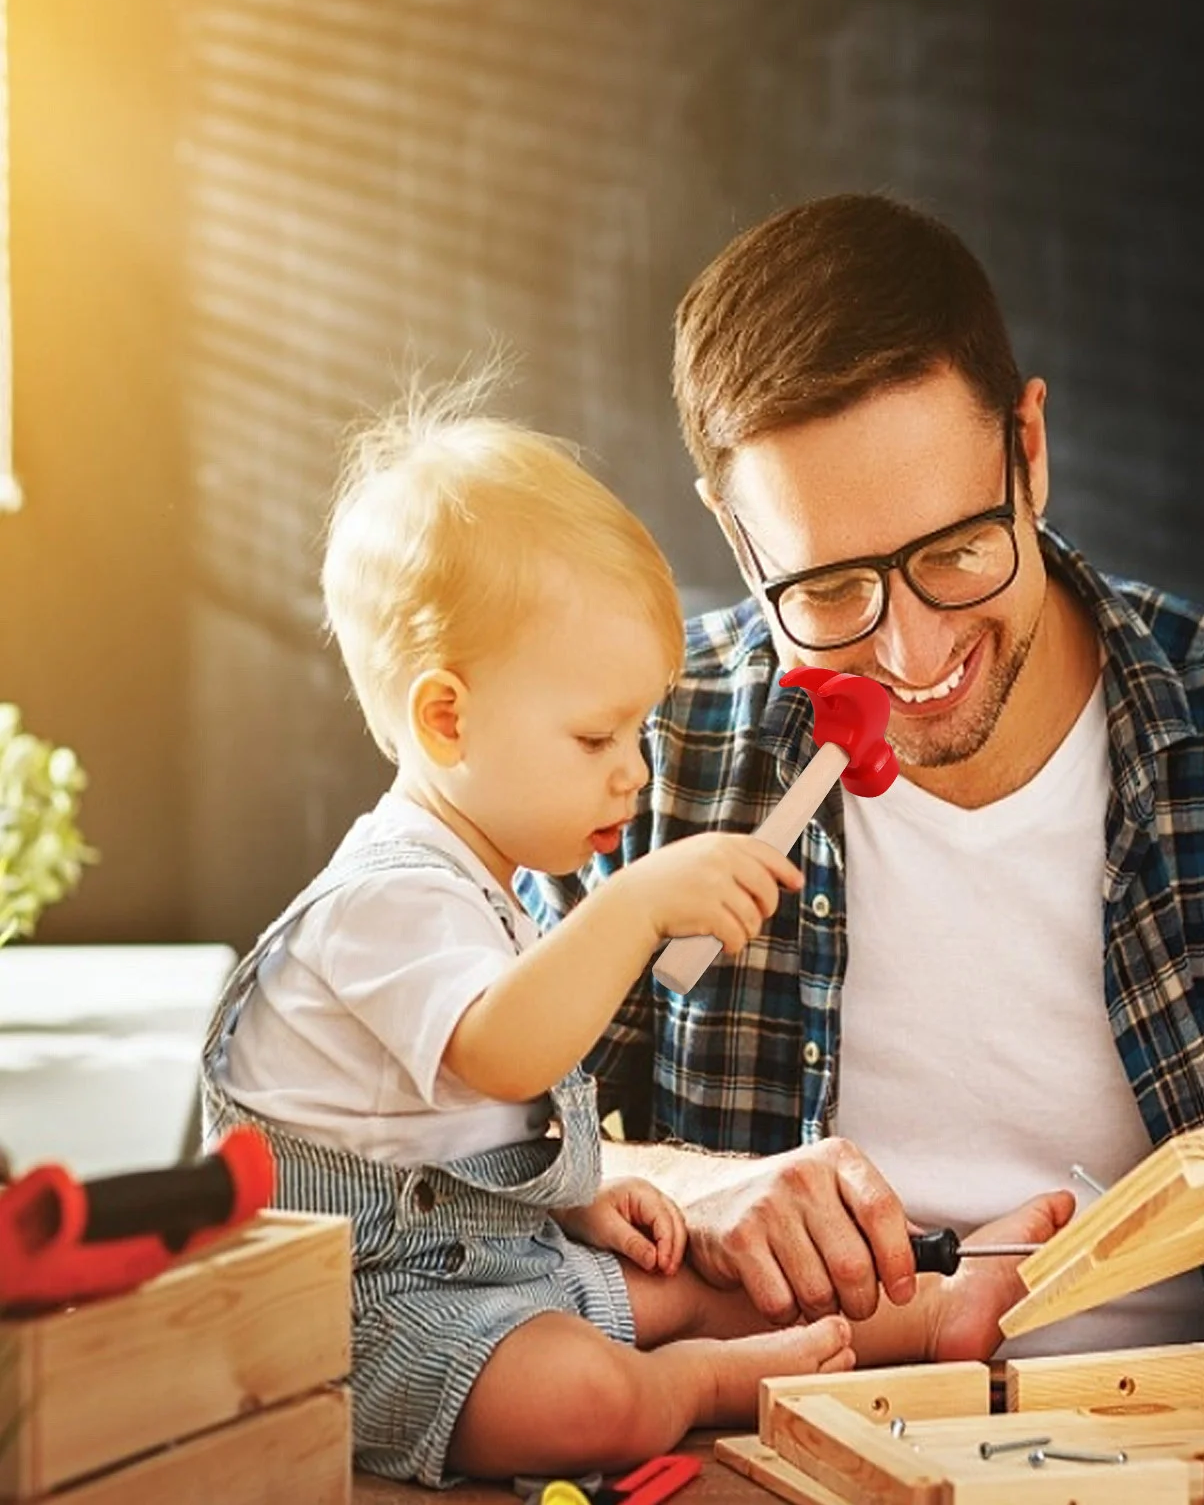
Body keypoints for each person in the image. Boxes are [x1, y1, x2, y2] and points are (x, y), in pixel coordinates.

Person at [523, 193, 1204, 1360]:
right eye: (826, 590)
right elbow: (451, 1142)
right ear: (737, 539)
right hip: (787, 1446)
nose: (907, 652)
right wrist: (685, 1185)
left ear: (1029, 450)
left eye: (954, 551)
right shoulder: (658, 750)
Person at [199, 379, 1075, 1489]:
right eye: (595, 735)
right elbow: (501, 1051)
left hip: (486, 1262)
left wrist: (582, 1191)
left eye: (640, 727)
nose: (633, 768)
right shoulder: (384, 901)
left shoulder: (481, 885)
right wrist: (636, 904)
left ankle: (944, 1305)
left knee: (698, 1279)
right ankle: (703, 1387)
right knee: (586, 1391)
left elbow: (463, 1121)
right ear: (445, 718)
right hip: (364, 1307)